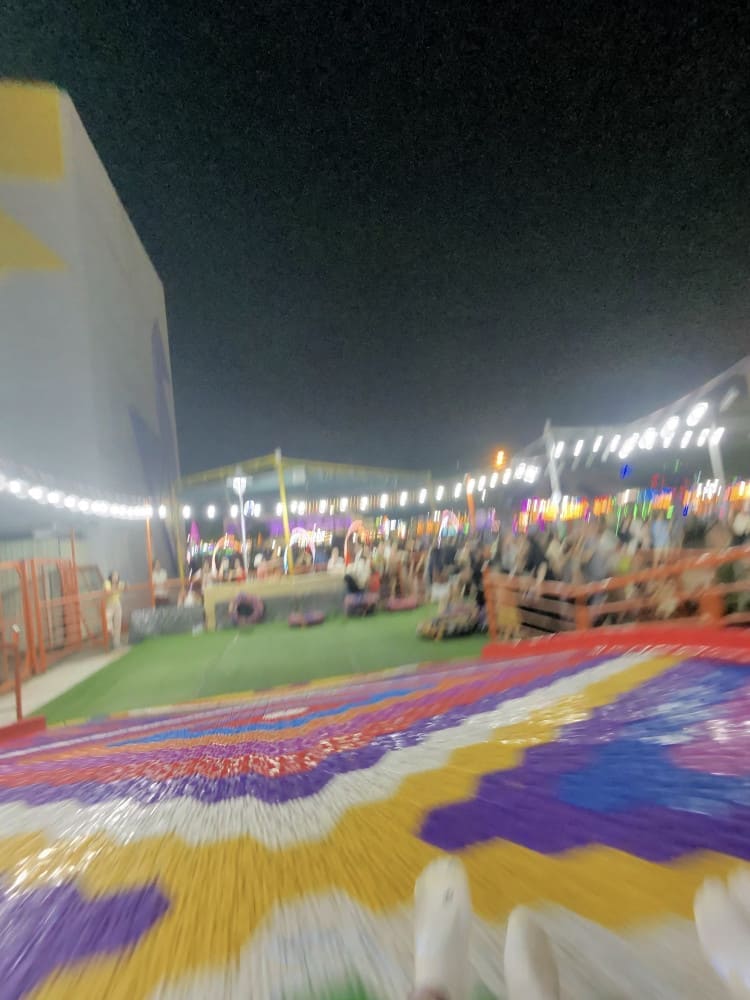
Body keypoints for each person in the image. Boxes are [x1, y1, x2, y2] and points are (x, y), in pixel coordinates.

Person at [104, 571, 125, 647]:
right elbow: (108, 592)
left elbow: (125, 586)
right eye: (114, 576)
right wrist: (116, 588)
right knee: (107, 620)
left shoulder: (120, 583)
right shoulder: (107, 582)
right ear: (111, 576)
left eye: (117, 576)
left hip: (117, 604)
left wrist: (122, 586)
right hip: (109, 604)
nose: (115, 577)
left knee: (118, 623)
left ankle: (117, 643)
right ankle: (111, 633)